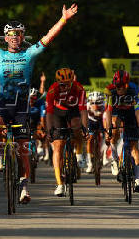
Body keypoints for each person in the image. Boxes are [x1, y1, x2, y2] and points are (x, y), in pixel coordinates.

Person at [0, 3, 78, 203]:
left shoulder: (29, 54)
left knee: (23, 150)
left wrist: (63, 19)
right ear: (6, 38)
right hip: (4, 103)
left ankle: (24, 188)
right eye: (11, 34)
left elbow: (48, 37)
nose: (15, 37)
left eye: (19, 34)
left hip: (22, 106)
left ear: (22, 37)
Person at [46, 68, 88, 196]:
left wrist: (85, 128)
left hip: (73, 110)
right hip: (58, 113)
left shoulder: (79, 89)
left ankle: (79, 154)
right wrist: (49, 131)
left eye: (68, 84)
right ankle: (59, 184)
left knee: (77, 125)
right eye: (62, 85)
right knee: (58, 146)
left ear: (72, 81)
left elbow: (83, 111)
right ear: (58, 83)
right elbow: (49, 112)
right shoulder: (52, 90)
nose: (65, 87)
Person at [104, 70, 139, 193]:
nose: (119, 89)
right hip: (117, 112)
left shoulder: (133, 91)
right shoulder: (110, 91)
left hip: (130, 113)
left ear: (127, 85)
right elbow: (108, 112)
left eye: (122, 86)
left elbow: (138, 111)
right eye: (117, 86)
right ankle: (115, 160)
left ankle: (138, 181)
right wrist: (108, 130)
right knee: (114, 130)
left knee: (134, 148)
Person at [86, 91, 105, 173]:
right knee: (89, 140)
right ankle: (89, 163)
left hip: (100, 121)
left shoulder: (104, 105)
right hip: (91, 121)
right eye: (92, 102)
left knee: (104, 138)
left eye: (97, 102)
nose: (95, 104)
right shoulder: (87, 105)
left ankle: (101, 155)